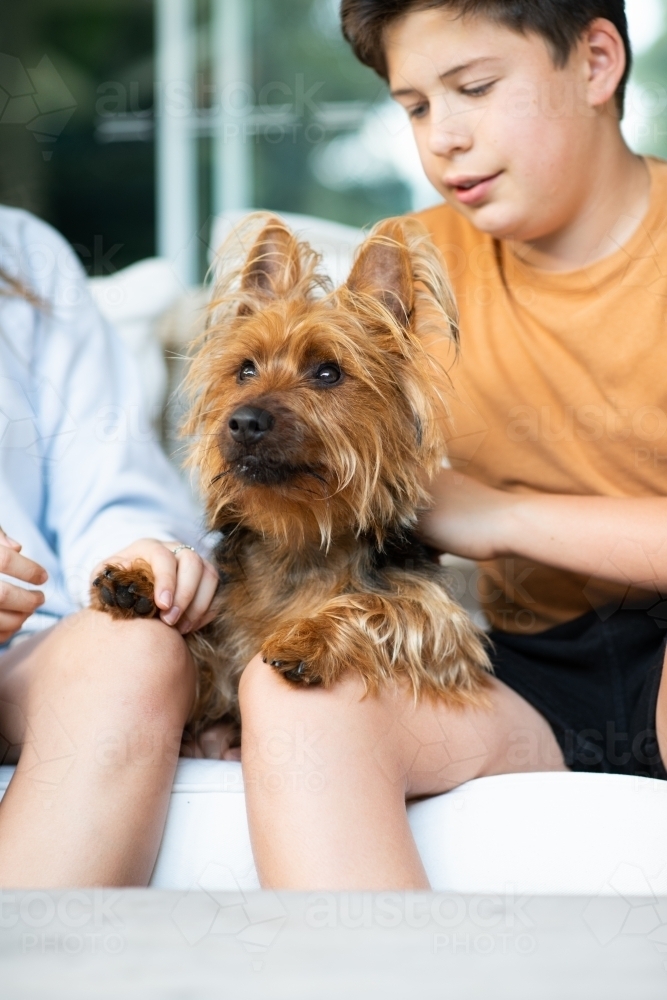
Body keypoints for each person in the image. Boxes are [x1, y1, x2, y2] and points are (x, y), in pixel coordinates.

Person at [238, 0, 667, 889]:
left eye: (473, 89)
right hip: (519, 662)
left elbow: (453, 503)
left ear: (594, 63)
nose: (444, 139)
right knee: (296, 697)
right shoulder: (407, 264)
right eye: (416, 107)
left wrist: (496, 513)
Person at [0, 204, 218, 887]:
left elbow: (103, 480)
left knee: (132, 644)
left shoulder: (23, 253)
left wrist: (134, 555)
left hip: (23, 651)